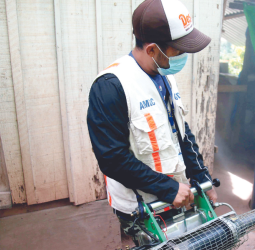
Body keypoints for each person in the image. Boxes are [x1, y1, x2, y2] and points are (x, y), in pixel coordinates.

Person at [87, 0, 218, 246]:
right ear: (152, 50)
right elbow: (112, 158)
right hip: (141, 205)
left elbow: (181, 132)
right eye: (178, 51)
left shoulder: (164, 74)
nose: (184, 56)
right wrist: (166, 187)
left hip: (177, 192)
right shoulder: (110, 87)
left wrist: (202, 177)